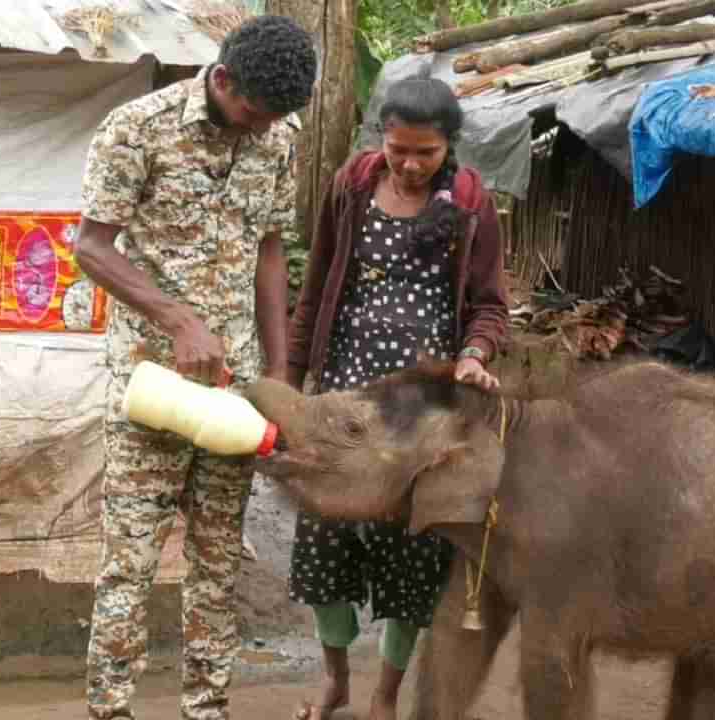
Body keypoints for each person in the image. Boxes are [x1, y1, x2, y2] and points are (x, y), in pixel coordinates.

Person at [75, 16, 317, 720]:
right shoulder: (137, 128)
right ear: (221, 79)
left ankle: (206, 709)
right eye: (250, 113)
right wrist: (177, 319)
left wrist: (276, 374)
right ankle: (110, 709)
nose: (257, 129)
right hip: (150, 388)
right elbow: (91, 246)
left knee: (216, 569)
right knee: (129, 565)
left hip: (233, 397)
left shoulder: (277, 138)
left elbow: (270, 250)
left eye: (271, 120)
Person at [284, 76, 509, 720]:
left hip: (422, 416)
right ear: (379, 137)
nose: (409, 165)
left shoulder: (470, 204)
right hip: (344, 396)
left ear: (449, 149)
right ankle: (335, 680)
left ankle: (385, 695)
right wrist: (295, 379)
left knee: (412, 550)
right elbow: (318, 285)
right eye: (398, 148)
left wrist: (473, 355)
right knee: (326, 536)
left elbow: (490, 305)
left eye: (425, 153)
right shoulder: (352, 186)